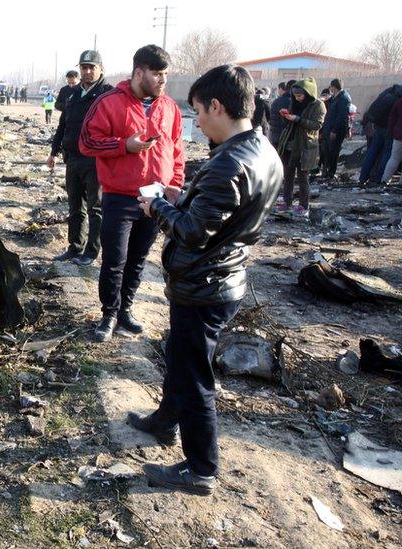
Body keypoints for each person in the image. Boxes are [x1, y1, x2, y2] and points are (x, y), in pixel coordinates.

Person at [131, 64, 282, 496]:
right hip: (222, 276)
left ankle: (201, 468)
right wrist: (185, 196)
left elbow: (195, 232)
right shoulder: (261, 150)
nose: (196, 122)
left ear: (217, 106)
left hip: (205, 284)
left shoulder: (229, 163)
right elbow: (220, 214)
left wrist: (158, 206)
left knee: (196, 376)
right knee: (181, 357)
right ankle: (164, 421)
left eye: (198, 111)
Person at [79, 44, 184, 342]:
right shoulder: (109, 102)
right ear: (139, 72)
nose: (163, 80)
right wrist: (125, 145)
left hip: (156, 200)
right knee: (115, 259)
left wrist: (175, 183)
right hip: (119, 197)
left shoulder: (169, 108)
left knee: (138, 259)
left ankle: (126, 309)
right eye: (157, 73)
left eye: (166, 74)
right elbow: (87, 142)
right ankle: (108, 314)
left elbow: (177, 150)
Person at [48, 50, 113, 266]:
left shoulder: (108, 95)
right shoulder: (73, 94)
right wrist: (53, 152)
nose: (86, 71)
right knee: (75, 206)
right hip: (73, 158)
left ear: (101, 69)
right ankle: (74, 247)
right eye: (83, 67)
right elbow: (63, 125)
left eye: (91, 67)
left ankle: (91, 252)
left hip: (96, 160)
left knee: (95, 207)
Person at [276, 78, 325, 216]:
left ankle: (304, 205)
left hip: (305, 146)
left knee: (303, 176)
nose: (297, 99)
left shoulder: (318, 105)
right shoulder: (294, 102)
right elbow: (287, 123)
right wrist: (285, 116)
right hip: (290, 144)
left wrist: (298, 119)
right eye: (295, 96)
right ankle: (287, 201)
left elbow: (316, 125)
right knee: (288, 174)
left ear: (308, 94)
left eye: (300, 96)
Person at [359, 84, 402, 184]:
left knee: (372, 152)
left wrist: (375, 122)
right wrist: (392, 131)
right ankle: (379, 180)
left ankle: (362, 178)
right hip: (390, 130)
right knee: (388, 155)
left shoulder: (388, 92)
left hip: (379, 127)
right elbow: (393, 118)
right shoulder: (398, 99)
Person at [320, 79, 350, 179]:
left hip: (335, 130)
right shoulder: (335, 97)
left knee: (334, 151)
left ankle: (331, 173)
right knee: (328, 151)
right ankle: (327, 172)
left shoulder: (344, 98)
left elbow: (341, 116)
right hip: (329, 128)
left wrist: (334, 130)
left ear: (333, 87)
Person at [268, 80, 295, 148]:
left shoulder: (276, 101)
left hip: (274, 135)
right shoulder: (293, 102)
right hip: (288, 137)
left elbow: (271, 118)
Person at [381, 96, 402, 184]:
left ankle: (384, 180)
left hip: (398, 133)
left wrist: (392, 131)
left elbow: (392, 118)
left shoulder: (399, 102)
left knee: (394, 158)